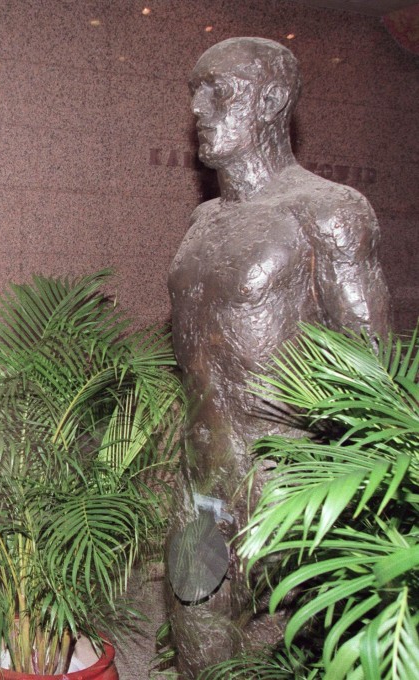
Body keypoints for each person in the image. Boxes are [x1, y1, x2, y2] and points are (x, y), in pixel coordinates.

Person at [166, 37, 390, 674]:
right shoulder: (202, 222)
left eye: (218, 90)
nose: (200, 109)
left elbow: (376, 380)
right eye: (195, 92)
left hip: (294, 496)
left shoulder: (330, 213)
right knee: (199, 651)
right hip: (204, 489)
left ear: (270, 102)